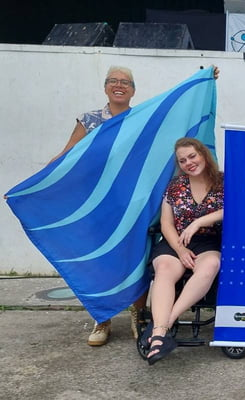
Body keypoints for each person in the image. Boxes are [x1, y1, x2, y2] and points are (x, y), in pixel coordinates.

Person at [49, 65, 148, 346]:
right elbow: (67, 155)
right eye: (113, 81)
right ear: (105, 87)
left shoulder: (142, 119)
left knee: (136, 257)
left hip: (131, 202)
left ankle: (139, 315)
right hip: (95, 204)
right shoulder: (89, 120)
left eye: (126, 82)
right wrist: (32, 185)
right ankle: (102, 318)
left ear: (133, 90)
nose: (119, 85)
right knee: (99, 262)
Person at [141, 137, 224, 365]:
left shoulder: (223, 181)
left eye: (192, 156)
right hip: (176, 242)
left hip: (208, 242)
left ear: (203, 154)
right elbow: (166, 224)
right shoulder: (175, 186)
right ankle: (160, 333)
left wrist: (199, 222)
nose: (189, 163)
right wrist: (180, 250)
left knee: (211, 266)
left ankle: (162, 326)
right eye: (183, 160)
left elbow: (233, 209)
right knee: (165, 268)